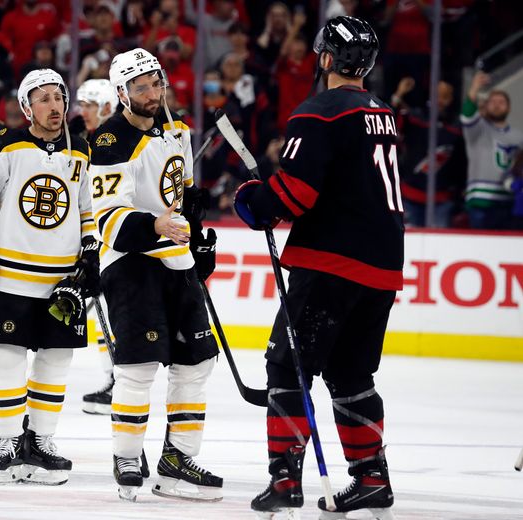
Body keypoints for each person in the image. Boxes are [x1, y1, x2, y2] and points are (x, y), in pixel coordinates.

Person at [233, 16, 402, 519]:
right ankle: (371, 477)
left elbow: (295, 195)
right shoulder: (383, 113)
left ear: (327, 58)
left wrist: (253, 200)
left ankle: (284, 481)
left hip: (330, 264)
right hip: (382, 268)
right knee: (353, 373)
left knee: (289, 366)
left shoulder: (320, 111)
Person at [90, 47, 221, 502]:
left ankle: (177, 461)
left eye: (155, 83)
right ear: (121, 93)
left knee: (198, 360)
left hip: (175, 257)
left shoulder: (177, 127)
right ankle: (127, 455)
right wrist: (154, 226)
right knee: (139, 365)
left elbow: (181, 191)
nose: (150, 92)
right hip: (131, 261)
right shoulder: (109, 141)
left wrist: (196, 230)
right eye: (139, 86)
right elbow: (104, 217)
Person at [0, 68, 97, 485]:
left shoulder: (81, 151)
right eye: (43, 99)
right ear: (26, 107)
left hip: (62, 281)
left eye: (58, 97)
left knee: (55, 362)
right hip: (10, 274)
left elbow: (87, 209)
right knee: (6, 356)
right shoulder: (0, 145)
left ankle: (40, 442)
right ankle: (6, 441)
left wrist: (90, 253)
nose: (54, 105)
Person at [70, 78, 118, 415]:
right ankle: (115, 380)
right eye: (82, 104)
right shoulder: (82, 141)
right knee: (102, 318)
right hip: (89, 237)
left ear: (106, 106)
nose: (82, 110)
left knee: (112, 316)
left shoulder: (117, 141)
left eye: (89, 104)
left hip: (113, 239)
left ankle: (121, 381)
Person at [391, 77, 466, 228]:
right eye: (437, 95)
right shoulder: (415, 118)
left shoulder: (456, 128)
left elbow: (460, 163)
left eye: (444, 96)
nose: (439, 100)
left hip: (442, 201)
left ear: (451, 99)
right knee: (407, 245)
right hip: (410, 196)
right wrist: (399, 94)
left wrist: (457, 193)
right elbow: (392, 123)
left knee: (438, 248)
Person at [461, 71, 523, 229]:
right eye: (493, 101)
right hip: (480, 201)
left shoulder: (519, 137)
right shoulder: (478, 129)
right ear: (486, 106)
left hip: (509, 202)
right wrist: (474, 88)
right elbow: (467, 115)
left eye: (501, 101)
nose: (497, 104)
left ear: (509, 108)